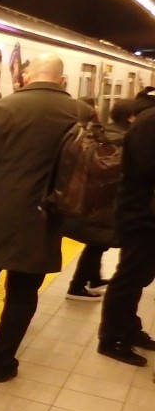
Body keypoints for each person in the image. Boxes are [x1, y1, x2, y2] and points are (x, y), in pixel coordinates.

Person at [0, 53, 92, 382]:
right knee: (23, 292)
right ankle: (3, 363)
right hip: (45, 218)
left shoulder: (3, 109)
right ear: (62, 81)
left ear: (27, 76)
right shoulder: (81, 113)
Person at [96, 90, 155, 365]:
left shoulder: (147, 118)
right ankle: (111, 338)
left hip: (144, 213)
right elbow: (146, 168)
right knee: (129, 278)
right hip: (140, 215)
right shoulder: (150, 121)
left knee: (138, 277)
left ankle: (129, 328)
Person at [62, 98, 139, 300]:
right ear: (131, 117)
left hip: (96, 201)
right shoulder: (126, 139)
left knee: (98, 243)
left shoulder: (107, 132)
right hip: (106, 203)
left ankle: (92, 279)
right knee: (99, 242)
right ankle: (77, 286)